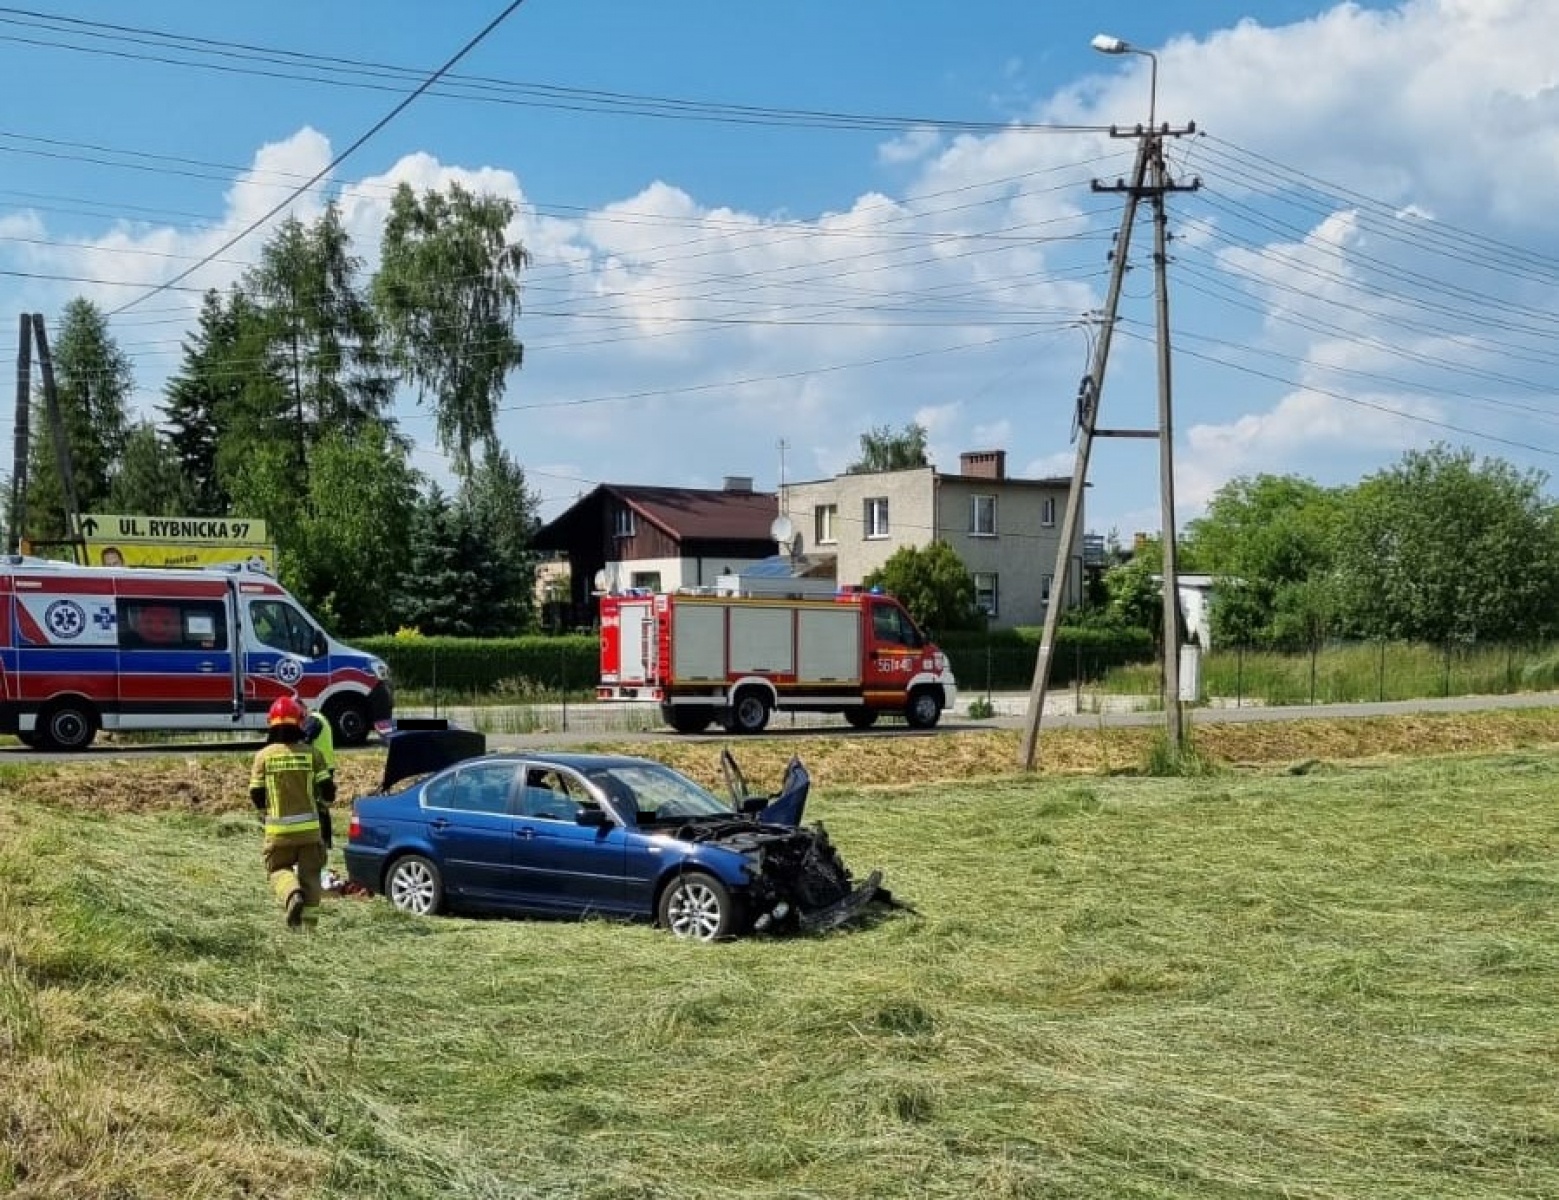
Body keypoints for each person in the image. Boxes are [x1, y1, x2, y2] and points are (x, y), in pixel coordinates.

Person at [249, 695, 334, 930]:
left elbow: (256, 793)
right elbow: (328, 790)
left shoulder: (263, 756)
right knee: (311, 877)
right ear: (299, 722)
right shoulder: (312, 754)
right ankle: (308, 930)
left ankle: (291, 894)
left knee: (277, 869)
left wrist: (264, 812)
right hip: (310, 833)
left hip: (279, 833)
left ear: (271, 724)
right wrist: (324, 803)